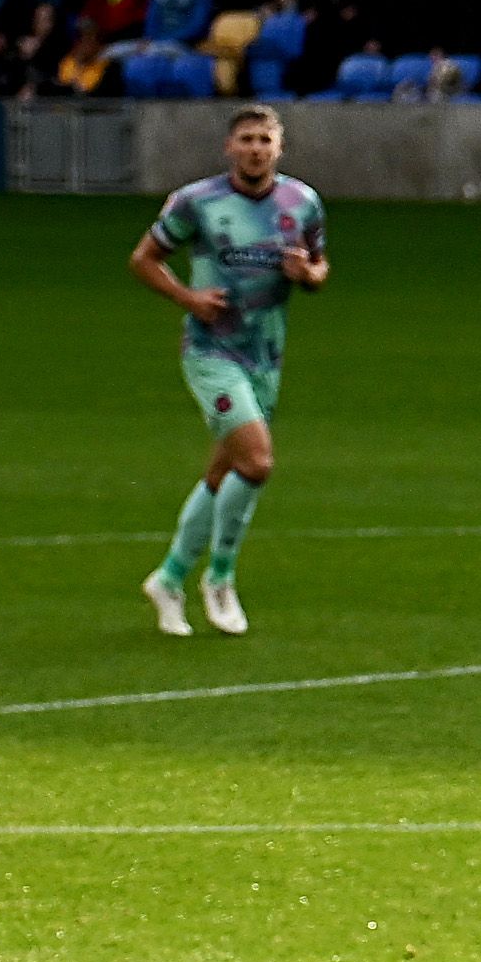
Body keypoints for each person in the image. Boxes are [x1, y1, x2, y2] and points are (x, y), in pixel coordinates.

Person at [126, 104, 327, 638]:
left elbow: (319, 266)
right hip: (211, 352)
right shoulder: (197, 201)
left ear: (279, 148)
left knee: (223, 473)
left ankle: (169, 578)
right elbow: (143, 259)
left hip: (266, 354)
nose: (256, 149)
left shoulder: (302, 202)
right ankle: (220, 577)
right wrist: (187, 297)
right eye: (247, 139)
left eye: (265, 139)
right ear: (229, 147)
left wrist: (307, 274)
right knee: (257, 463)